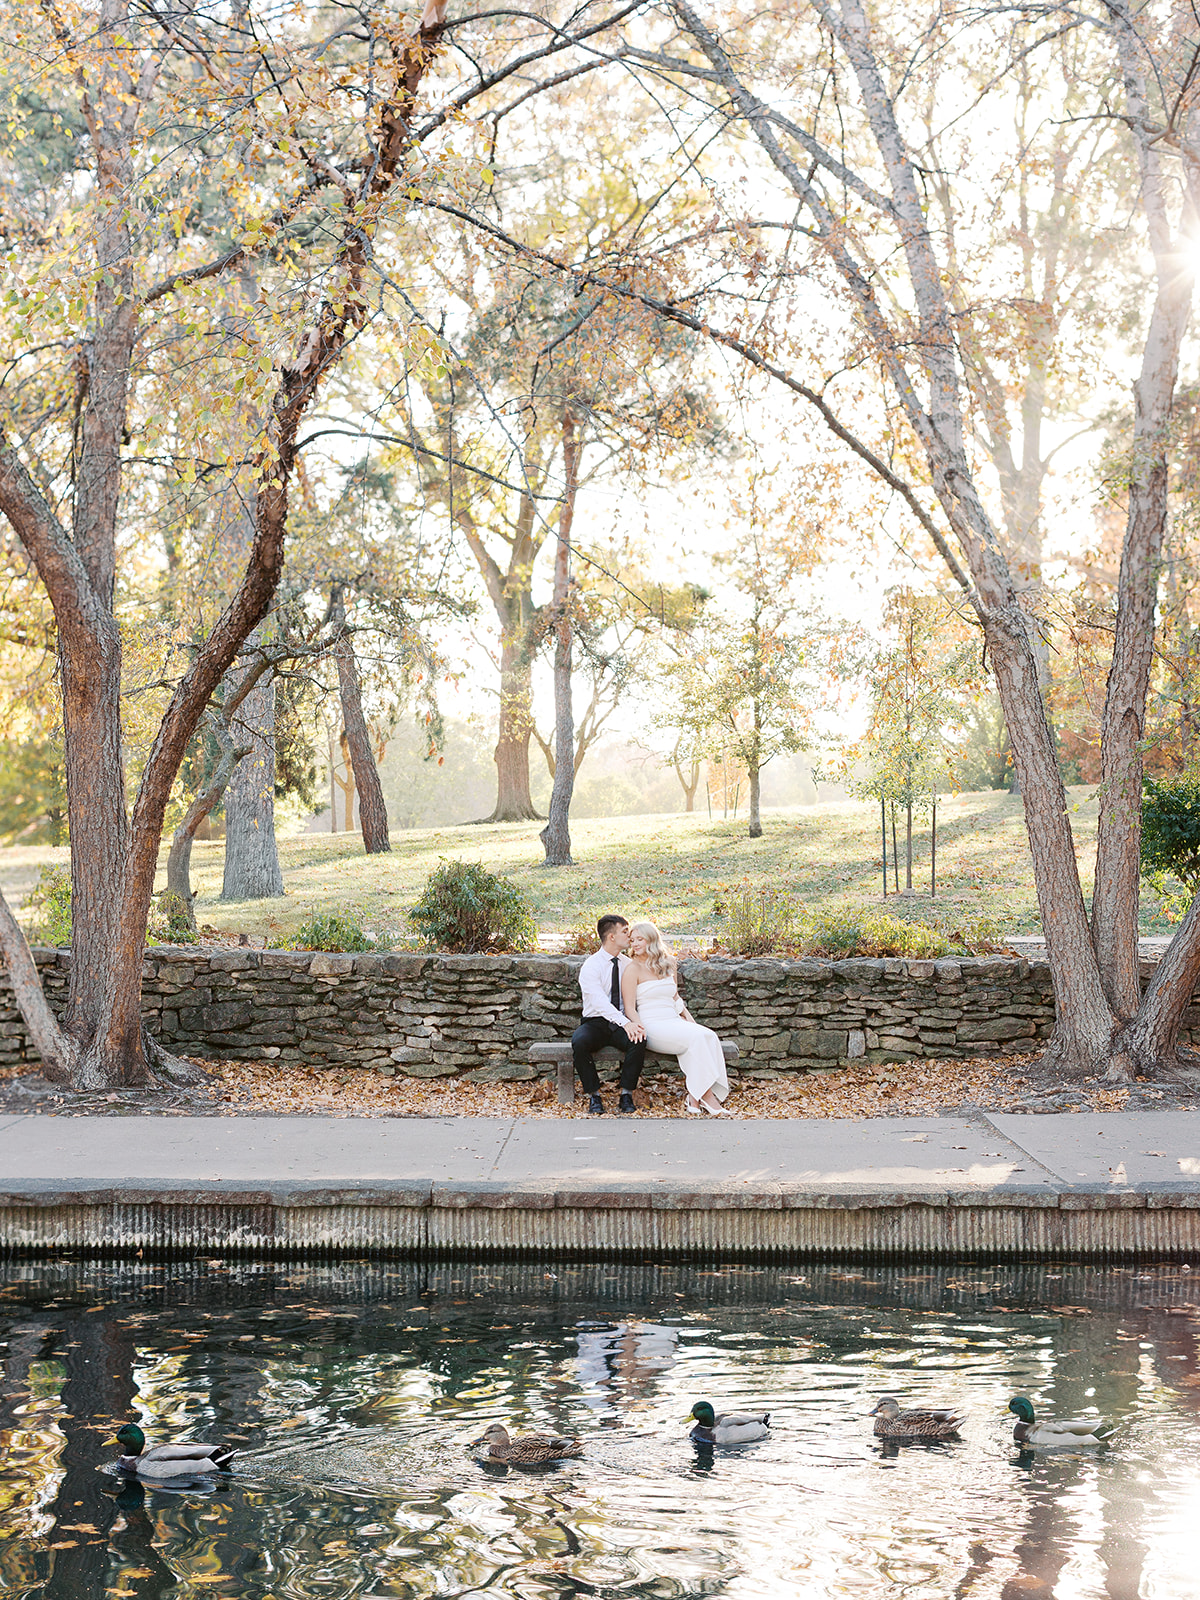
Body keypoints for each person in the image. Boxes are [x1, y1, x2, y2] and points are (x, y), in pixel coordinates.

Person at [621, 920, 732, 1116]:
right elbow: (629, 1008)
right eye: (632, 940)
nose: (635, 944)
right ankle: (707, 1098)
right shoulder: (632, 969)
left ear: (651, 939)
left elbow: (675, 997)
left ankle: (694, 1098)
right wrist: (639, 1027)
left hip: (673, 1020)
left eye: (640, 939)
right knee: (696, 1039)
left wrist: (690, 1021)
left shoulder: (669, 963)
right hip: (652, 1024)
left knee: (708, 1035)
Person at [572, 913, 647, 1115]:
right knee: (579, 1042)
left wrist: (631, 1023)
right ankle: (594, 1096)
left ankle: (626, 1094)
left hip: (621, 1021)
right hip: (595, 1022)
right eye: (625, 931)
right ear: (612, 936)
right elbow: (599, 1003)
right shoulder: (591, 966)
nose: (629, 935)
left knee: (639, 1039)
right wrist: (626, 1023)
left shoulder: (628, 964)